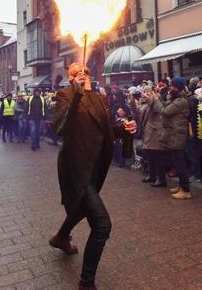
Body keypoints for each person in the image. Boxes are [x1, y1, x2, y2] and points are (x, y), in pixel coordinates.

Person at [49, 63, 137, 290]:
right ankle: (86, 283)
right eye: (77, 72)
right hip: (75, 167)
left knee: (80, 208)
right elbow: (60, 128)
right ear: (70, 79)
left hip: (94, 166)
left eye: (86, 71)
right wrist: (77, 97)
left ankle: (61, 237)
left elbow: (105, 130)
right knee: (102, 225)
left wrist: (123, 128)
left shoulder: (99, 99)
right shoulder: (65, 95)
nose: (83, 73)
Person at [153, 76, 192, 199]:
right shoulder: (176, 98)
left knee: (180, 165)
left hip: (177, 136)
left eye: (173, 86)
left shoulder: (182, 101)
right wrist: (158, 98)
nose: (171, 88)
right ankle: (181, 186)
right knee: (177, 163)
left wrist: (156, 100)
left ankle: (186, 190)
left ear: (178, 87)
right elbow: (165, 105)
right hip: (173, 135)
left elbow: (165, 111)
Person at [137, 85, 167, 187]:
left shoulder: (157, 101)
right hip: (148, 133)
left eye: (149, 93)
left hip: (156, 133)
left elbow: (156, 107)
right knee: (150, 157)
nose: (146, 95)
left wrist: (150, 98)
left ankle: (161, 179)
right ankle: (152, 176)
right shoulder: (145, 104)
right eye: (145, 92)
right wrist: (134, 100)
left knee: (158, 157)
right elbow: (139, 111)